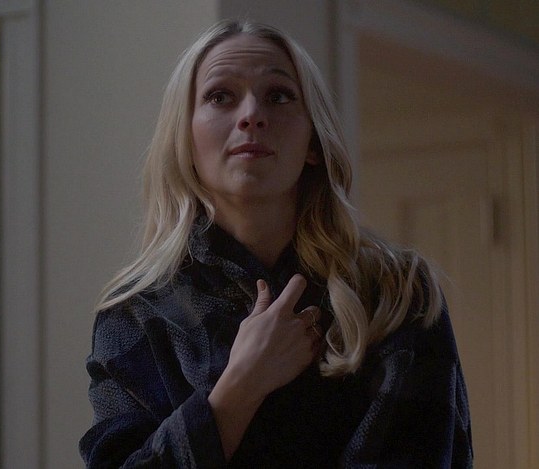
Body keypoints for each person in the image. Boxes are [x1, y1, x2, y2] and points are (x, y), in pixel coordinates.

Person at [79, 19, 472, 467]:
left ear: (313, 141)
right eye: (220, 96)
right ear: (184, 140)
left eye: (279, 96)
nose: (252, 115)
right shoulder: (135, 313)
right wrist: (240, 387)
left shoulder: (396, 292)